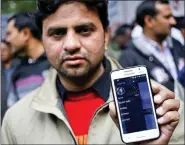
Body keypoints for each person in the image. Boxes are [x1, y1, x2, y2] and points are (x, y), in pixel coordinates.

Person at [2, 0, 182, 144]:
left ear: (106, 36)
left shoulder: (162, 109)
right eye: (57, 33)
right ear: (42, 39)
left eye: (84, 30)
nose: (71, 45)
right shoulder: (16, 121)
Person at [119, 0, 184, 92]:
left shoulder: (176, 44)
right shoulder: (129, 58)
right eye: (167, 17)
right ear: (149, 21)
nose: (173, 22)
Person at [6, 12, 51, 107]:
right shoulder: (17, 72)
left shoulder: (55, 63)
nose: (7, 40)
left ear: (26, 33)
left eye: (9, 33)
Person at [1, 40, 18, 122]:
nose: (1, 53)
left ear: (10, 50)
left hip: (17, 108)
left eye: (3, 50)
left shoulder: (19, 67)